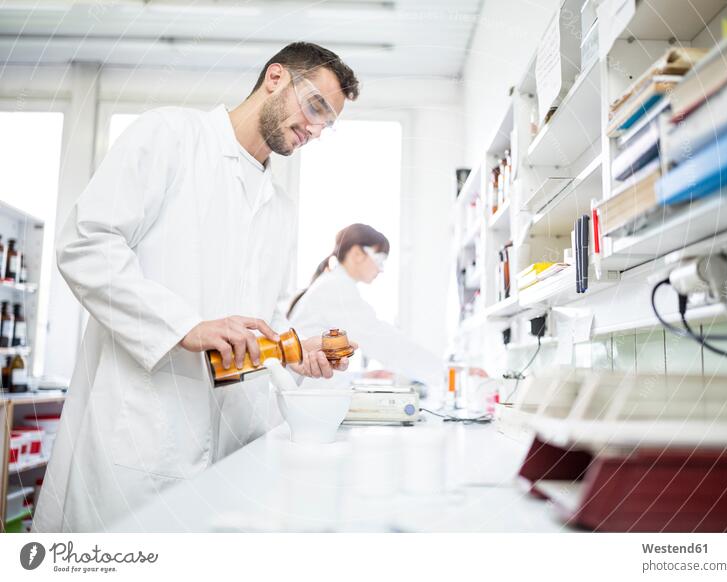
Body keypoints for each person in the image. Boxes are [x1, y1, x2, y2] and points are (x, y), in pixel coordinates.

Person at [34, 43, 360, 533]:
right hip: (143, 433)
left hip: (235, 444)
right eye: (315, 106)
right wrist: (184, 326)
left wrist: (296, 349)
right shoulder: (170, 136)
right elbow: (85, 243)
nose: (315, 129)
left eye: (327, 124)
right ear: (275, 77)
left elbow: (262, 316)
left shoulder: (280, 206)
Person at [288, 224, 444, 388]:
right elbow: (381, 339)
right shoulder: (337, 287)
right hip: (305, 393)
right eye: (380, 259)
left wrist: (360, 376)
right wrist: (442, 372)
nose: (381, 269)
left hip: (307, 387)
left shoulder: (333, 283)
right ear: (356, 254)